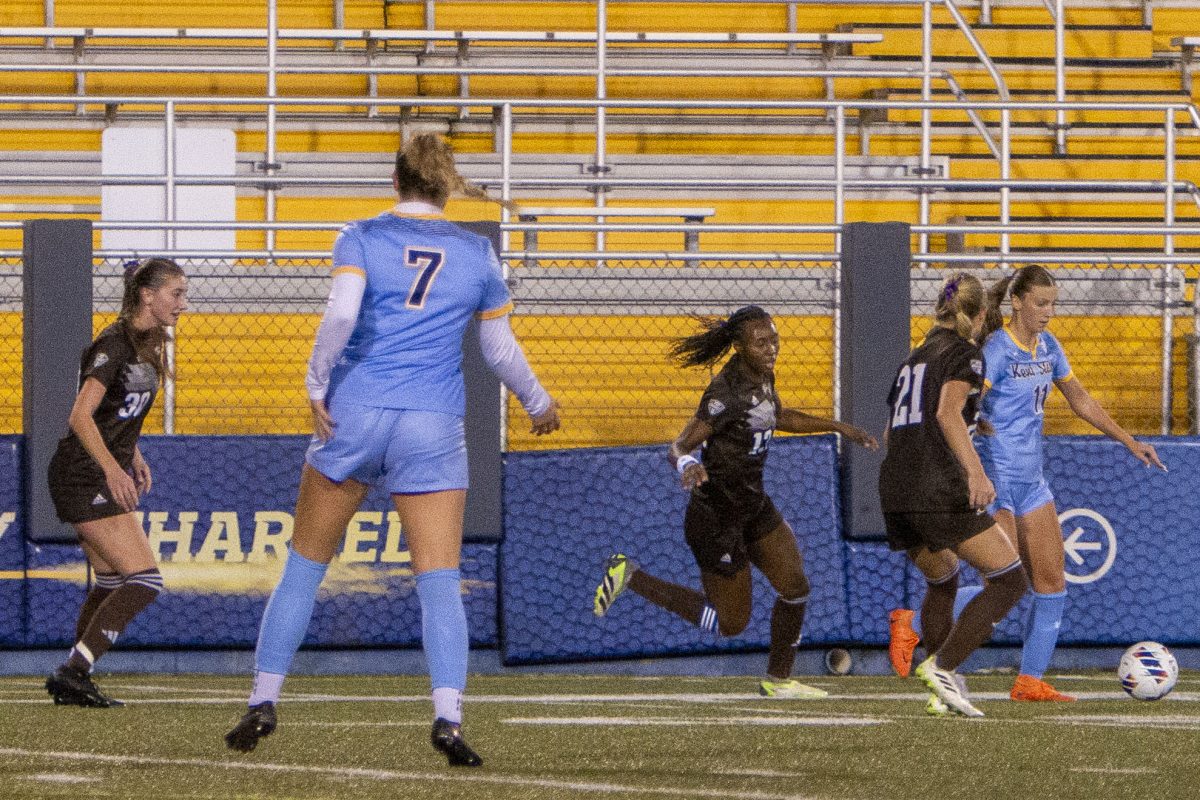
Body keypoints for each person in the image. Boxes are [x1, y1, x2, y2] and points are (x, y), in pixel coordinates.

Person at [223, 133, 560, 767]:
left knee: (304, 568)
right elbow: (498, 350)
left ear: (395, 178)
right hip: (431, 424)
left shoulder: (361, 235)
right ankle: (448, 717)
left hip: (355, 412)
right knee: (438, 581)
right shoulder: (477, 253)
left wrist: (316, 383)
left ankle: (264, 699)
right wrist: (538, 403)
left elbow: (342, 315)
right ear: (448, 185)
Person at [888, 265, 1165, 702]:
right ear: (1017, 302)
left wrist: (1129, 440)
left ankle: (1029, 679)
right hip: (995, 477)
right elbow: (960, 403)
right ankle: (914, 625)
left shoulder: (1049, 346)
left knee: (1051, 582)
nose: (1048, 313)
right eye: (1040, 303)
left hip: (1032, 481)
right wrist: (980, 426)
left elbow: (1080, 399)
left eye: (1053, 304)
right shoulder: (996, 349)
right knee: (1004, 580)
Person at [593, 305, 878, 698]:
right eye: (761, 342)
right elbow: (677, 446)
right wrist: (689, 465)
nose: (771, 347)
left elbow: (776, 415)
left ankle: (779, 682)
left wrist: (837, 425)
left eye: (774, 338)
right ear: (740, 347)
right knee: (730, 623)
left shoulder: (762, 375)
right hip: (717, 517)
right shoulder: (723, 396)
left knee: (795, 585)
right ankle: (631, 576)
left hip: (753, 504)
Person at [878, 272, 1028, 718]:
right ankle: (943, 667)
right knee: (1010, 580)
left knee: (942, 578)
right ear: (981, 315)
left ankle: (943, 687)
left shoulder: (913, 358)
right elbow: (945, 412)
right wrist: (975, 473)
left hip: (895, 486)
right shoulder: (966, 353)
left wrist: (969, 422)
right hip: (935, 484)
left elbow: (894, 431)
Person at [44, 258, 189, 708]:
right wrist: (112, 468)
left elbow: (117, 414)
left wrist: (134, 454)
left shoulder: (148, 343)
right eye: (177, 294)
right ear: (148, 295)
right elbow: (80, 416)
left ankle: (75, 674)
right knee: (144, 580)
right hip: (82, 474)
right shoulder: (114, 343)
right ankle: (73, 670)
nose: (183, 304)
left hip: (94, 469)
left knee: (109, 582)